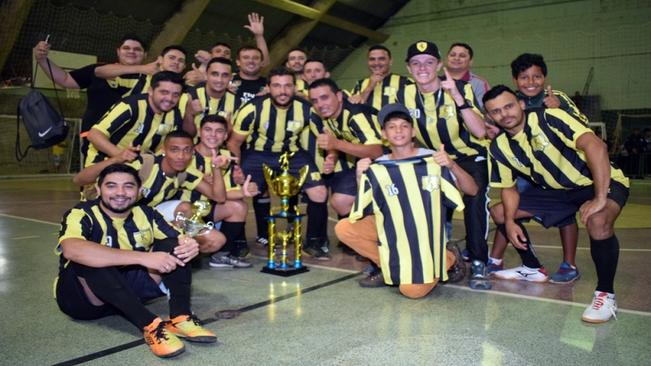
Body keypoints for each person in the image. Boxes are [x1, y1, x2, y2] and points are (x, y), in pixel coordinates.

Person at [483, 85, 629, 323]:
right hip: (558, 192)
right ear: (490, 117)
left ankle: (605, 294)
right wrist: (510, 222)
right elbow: (508, 188)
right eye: (496, 111)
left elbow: (596, 145)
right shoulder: (499, 146)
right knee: (499, 213)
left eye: (508, 106)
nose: (504, 114)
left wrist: (600, 197)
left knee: (598, 220)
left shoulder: (550, 117)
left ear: (521, 104)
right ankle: (532, 268)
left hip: (597, 182)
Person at [56, 164, 216, 358]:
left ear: (139, 191)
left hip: (129, 291)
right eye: (112, 186)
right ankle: (150, 325)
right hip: (84, 301)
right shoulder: (82, 213)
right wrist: (144, 257)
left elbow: (179, 237)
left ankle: (180, 317)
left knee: (173, 245)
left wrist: (189, 245)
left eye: (129, 186)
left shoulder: (147, 213)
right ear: (99, 189)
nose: (120, 193)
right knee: (90, 258)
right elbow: (72, 249)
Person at [334, 103, 477, 297]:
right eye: (392, 126)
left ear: (413, 132)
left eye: (404, 125)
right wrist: (361, 177)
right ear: (383, 134)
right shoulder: (379, 165)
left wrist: (451, 165)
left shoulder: (433, 160)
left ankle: (447, 256)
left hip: (425, 237)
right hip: (392, 228)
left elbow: (472, 189)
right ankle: (390, 266)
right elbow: (367, 206)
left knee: (411, 291)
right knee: (344, 228)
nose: (398, 130)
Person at [396, 40, 490, 290]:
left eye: (429, 62)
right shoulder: (403, 94)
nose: (422, 68)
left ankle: (479, 261)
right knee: (417, 199)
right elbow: (401, 133)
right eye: (416, 63)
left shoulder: (461, 88)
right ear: (408, 67)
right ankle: (435, 254)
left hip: (469, 156)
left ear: (439, 64)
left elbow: (481, 132)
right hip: (432, 159)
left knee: (475, 198)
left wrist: (457, 97)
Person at [487, 53, 590, 283]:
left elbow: (583, 127)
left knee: (565, 215)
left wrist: (558, 109)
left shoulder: (557, 97)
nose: (531, 82)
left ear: (545, 77)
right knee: (508, 211)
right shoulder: (509, 101)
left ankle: (569, 264)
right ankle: (499, 259)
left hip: (560, 169)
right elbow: (504, 133)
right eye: (524, 77)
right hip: (527, 171)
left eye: (537, 76)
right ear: (515, 80)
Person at [228, 67, 330, 259]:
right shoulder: (252, 108)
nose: (282, 91)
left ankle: (314, 241)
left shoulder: (306, 109)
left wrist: (331, 157)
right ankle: (240, 241)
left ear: (295, 87)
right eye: (276, 86)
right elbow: (234, 142)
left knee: (319, 192)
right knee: (239, 191)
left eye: (287, 86)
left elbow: (327, 137)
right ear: (268, 87)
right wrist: (236, 168)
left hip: (292, 153)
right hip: (257, 153)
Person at [75, 130, 228, 254]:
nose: (181, 156)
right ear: (163, 150)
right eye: (174, 150)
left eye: (187, 151)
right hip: (113, 217)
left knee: (215, 239)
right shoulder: (142, 164)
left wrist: (216, 169)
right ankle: (151, 251)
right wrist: (117, 158)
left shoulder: (186, 172)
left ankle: (174, 253)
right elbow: (79, 180)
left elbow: (219, 197)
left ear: (193, 153)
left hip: (147, 215)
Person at [32, 34, 145, 161]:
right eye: (126, 48)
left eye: (137, 49)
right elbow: (65, 79)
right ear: (118, 51)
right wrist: (42, 60)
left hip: (133, 140)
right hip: (95, 139)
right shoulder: (97, 70)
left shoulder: (153, 80)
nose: (131, 51)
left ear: (145, 54)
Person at [307, 78, 383, 254]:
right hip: (363, 160)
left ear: (339, 96)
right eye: (315, 100)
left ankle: (375, 239)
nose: (320, 104)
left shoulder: (356, 115)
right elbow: (337, 143)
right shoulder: (324, 118)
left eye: (325, 97)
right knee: (340, 201)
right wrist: (331, 158)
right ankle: (354, 237)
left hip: (391, 160)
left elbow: (377, 151)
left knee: (369, 195)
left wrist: (337, 145)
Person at [180, 114, 259, 268]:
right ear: (199, 131)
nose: (213, 135)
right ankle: (186, 253)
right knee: (209, 240)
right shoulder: (187, 155)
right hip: (184, 212)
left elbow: (225, 195)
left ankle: (221, 256)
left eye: (219, 131)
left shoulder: (227, 156)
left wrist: (244, 191)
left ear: (225, 135)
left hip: (207, 210)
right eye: (208, 130)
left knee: (239, 206)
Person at [84, 71, 184, 167]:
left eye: (176, 94)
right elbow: (94, 135)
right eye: (164, 92)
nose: (170, 98)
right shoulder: (130, 106)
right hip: (103, 162)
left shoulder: (174, 115)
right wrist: (121, 156)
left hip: (138, 167)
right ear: (150, 91)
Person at [184, 13, 269, 86]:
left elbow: (263, 63)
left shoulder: (236, 78)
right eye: (218, 51)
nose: (223, 54)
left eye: (227, 53)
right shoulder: (199, 70)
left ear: (233, 60)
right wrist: (206, 64)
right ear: (210, 54)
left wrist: (259, 36)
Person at [95, 45, 188, 96]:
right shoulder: (139, 78)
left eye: (181, 60)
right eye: (172, 58)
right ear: (160, 59)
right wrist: (141, 68)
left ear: (184, 66)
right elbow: (99, 72)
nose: (176, 62)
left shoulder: (186, 88)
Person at [183, 57, 240, 136]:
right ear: (206, 75)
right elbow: (186, 135)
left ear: (231, 78)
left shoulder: (238, 103)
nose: (219, 80)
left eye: (225, 75)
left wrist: (228, 129)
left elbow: (232, 140)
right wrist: (189, 114)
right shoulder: (189, 96)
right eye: (215, 74)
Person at [348, 45, 411, 110]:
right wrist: (369, 87)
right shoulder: (360, 84)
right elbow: (353, 110)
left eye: (381, 59)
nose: (376, 63)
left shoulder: (406, 82)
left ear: (390, 61)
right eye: (372, 59)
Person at [445, 42, 490, 111]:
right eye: (452, 55)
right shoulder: (436, 82)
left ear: (470, 62)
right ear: (447, 59)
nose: (456, 58)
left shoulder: (479, 83)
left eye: (462, 56)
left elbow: (483, 112)